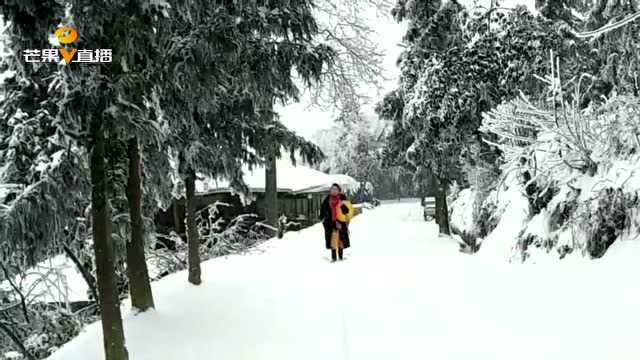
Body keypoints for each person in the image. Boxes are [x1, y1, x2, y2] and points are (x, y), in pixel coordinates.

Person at [319, 183, 354, 262]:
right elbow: (322, 209)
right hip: (330, 223)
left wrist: (342, 205)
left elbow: (347, 211)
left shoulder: (342, 198)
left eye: (335, 189)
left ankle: (341, 257)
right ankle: (334, 258)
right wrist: (322, 218)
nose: (334, 191)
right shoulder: (327, 199)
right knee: (333, 240)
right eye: (332, 189)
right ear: (330, 190)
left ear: (339, 190)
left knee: (341, 240)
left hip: (341, 222)